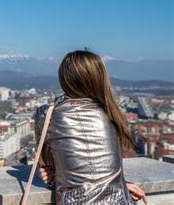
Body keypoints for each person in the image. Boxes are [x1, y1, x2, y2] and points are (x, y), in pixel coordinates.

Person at [35, 50, 147, 204]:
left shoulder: (47, 115)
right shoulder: (111, 113)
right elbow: (107, 167)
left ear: (64, 79)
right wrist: (122, 185)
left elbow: (51, 172)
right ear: (99, 78)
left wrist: (50, 177)